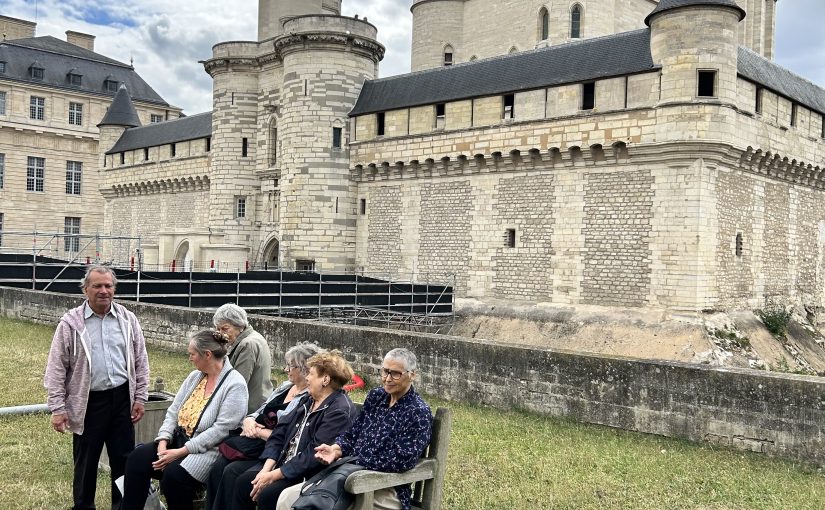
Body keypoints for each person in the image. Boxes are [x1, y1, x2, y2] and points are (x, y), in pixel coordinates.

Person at [44, 265, 150, 510]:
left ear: (114, 289)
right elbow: (56, 368)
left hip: (122, 398)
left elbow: (140, 360)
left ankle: (123, 506)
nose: (104, 291)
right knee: (87, 461)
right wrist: (58, 407)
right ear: (85, 290)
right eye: (97, 286)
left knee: (124, 460)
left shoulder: (127, 319)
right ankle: (83, 506)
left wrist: (140, 397)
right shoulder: (71, 324)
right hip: (88, 402)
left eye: (108, 286)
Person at [276, 348, 433, 510]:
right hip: (347, 474)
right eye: (385, 371)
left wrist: (357, 461)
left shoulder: (418, 412)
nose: (387, 378)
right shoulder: (376, 396)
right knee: (286, 498)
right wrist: (336, 449)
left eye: (395, 373)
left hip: (384, 487)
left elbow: (402, 460)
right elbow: (353, 434)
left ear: (412, 375)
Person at [122, 330, 248, 510]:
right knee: (137, 459)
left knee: (173, 477)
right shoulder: (194, 377)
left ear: (207, 355)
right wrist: (163, 441)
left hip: (208, 451)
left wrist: (181, 452)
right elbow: (173, 412)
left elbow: (222, 430)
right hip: (178, 441)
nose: (189, 358)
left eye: (192, 354)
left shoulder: (235, 384)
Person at [231, 351, 358, 510]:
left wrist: (272, 476)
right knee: (244, 482)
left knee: (268, 495)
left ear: (325, 379)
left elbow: (312, 454)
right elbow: (279, 433)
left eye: (311, 374)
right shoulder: (308, 400)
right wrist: (265, 470)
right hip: (283, 465)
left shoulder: (339, 411)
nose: (307, 378)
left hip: (307, 475)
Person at [205, 342, 323, 510]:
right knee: (219, 465)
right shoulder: (285, 387)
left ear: (305, 369)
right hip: (254, 443)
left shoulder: (307, 398)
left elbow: (287, 435)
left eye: (291, 366)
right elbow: (261, 409)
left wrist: (259, 431)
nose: (286, 370)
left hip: (271, 450)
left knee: (233, 471)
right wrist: (249, 420)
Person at [213, 303, 273, 413]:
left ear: (239, 326)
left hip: (250, 410)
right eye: (218, 329)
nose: (221, 333)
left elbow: (237, 383)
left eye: (225, 329)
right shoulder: (251, 337)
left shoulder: (248, 344)